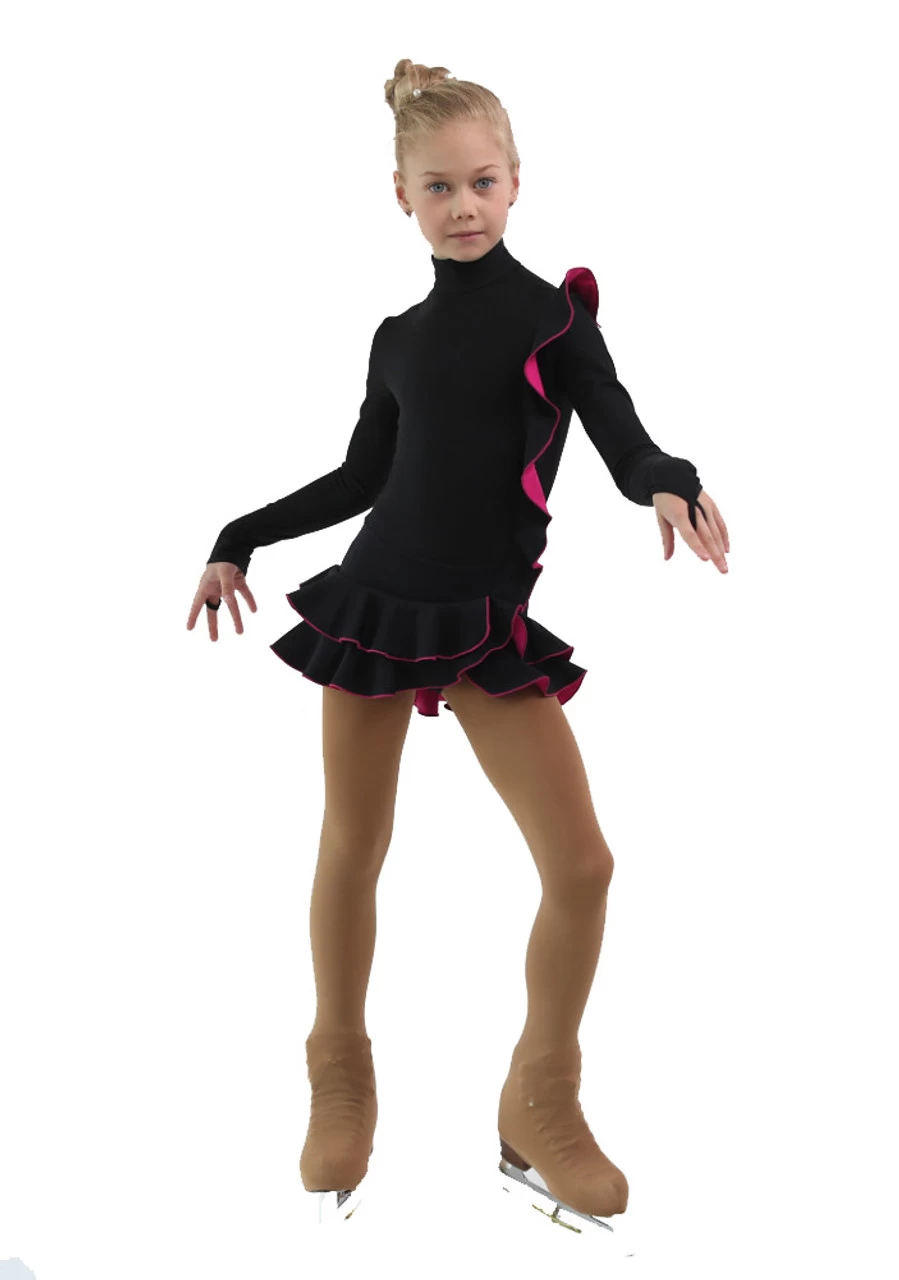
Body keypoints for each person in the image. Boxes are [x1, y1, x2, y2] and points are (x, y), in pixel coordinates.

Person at [186, 57, 730, 1237]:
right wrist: (238, 533)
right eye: (438, 187)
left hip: (483, 618)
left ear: (517, 180)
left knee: (580, 865)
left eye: (482, 181)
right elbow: (361, 478)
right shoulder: (395, 338)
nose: (463, 204)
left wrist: (667, 480)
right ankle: (339, 1069)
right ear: (401, 196)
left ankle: (539, 1095)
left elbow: (620, 435)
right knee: (352, 842)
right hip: (377, 602)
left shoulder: (553, 320)